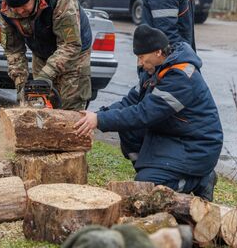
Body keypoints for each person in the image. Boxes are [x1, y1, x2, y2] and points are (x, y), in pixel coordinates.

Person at [74, 24, 223, 201]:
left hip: (198, 144)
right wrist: (97, 115)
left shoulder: (181, 77)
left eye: (142, 57)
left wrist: (99, 120)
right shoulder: (154, 70)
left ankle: (200, 180)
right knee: (129, 129)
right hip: (174, 134)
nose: (139, 63)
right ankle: (150, 169)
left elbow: (143, 114)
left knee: (148, 187)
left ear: (158, 52)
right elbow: (129, 102)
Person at [0, 0, 92, 110]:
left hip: (73, 53)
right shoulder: (5, 8)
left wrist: (46, 75)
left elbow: (71, 44)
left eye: (24, 7)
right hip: (41, 51)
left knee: (70, 107)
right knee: (39, 103)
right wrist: (21, 86)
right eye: (15, 9)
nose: (20, 12)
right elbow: (13, 50)